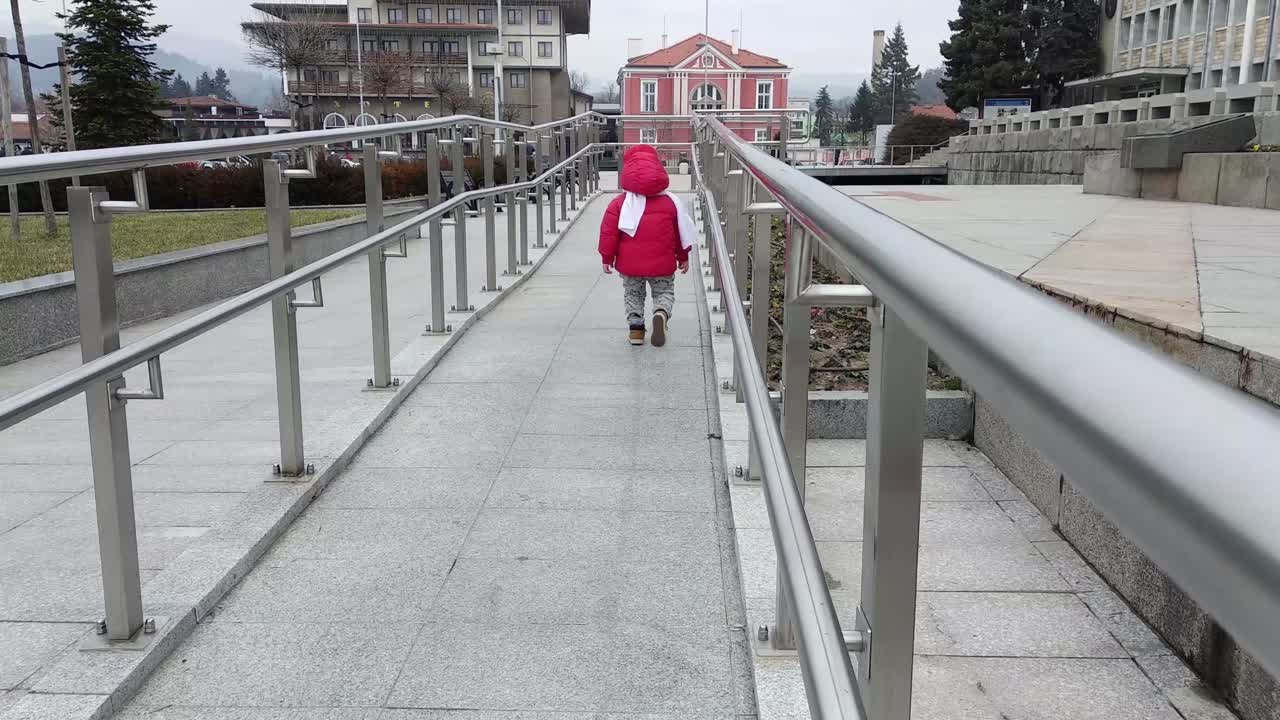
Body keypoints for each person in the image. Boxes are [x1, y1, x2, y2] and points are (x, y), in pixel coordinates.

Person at [598, 145, 696, 347]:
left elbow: (609, 233)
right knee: (664, 292)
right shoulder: (671, 202)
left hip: (631, 265)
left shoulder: (619, 204)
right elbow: (681, 232)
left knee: (633, 293)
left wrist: (607, 258)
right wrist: (683, 256)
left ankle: (636, 331)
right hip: (662, 264)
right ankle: (660, 312)